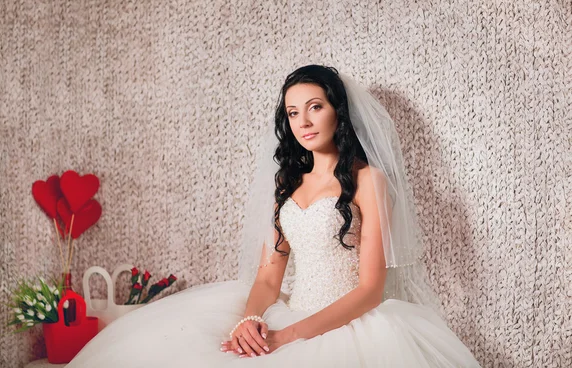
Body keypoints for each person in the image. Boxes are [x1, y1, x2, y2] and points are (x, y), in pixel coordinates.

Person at [67, 65, 481, 367]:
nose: (303, 121)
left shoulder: (368, 180)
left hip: (352, 325)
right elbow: (269, 278)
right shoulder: (287, 183)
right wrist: (251, 319)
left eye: (315, 107)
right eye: (293, 112)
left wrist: (288, 336)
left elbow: (371, 289)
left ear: (337, 111)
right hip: (288, 311)